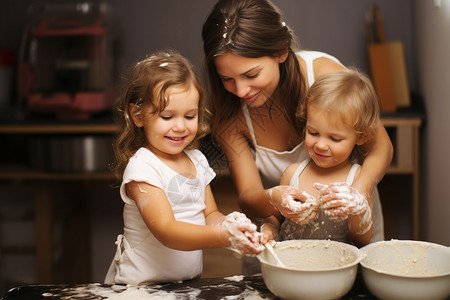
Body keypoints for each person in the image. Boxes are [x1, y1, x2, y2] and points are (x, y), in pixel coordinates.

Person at [202, 0, 392, 273]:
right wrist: (276, 200)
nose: (241, 90)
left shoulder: (325, 76)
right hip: (286, 243)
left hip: (355, 239)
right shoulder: (230, 115)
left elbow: (380, 146)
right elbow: (248, 195)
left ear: (281, 51)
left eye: (251, 74)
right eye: (227, 79)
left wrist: (359, 195)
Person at [104, 50, 263, 286]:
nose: (180, 126)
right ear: (138, 115)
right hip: (138, 287)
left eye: (190, 116)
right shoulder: (143, 167)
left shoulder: (197, 159)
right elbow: (167, 231)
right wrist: (223, 236)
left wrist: (231, 225)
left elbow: (209, 214)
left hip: (184, 285)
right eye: (167, 117)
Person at [263, 69, 379, 248]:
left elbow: (361, 240)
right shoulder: (293, 173)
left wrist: (358, 210)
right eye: (313, 132)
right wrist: (269, 228)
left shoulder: (357, 180)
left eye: (335, 138)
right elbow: (275, 216)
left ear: (361, 137)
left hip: (338, 269)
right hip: (293, 266)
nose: (321, 145)